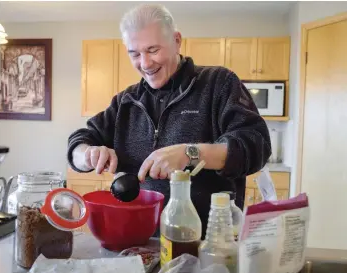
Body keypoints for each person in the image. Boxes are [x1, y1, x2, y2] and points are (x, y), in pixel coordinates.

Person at [67, 4, 271, 238]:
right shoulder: (126, 101)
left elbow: (256, 146)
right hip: (136, 242)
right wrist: (87, 155)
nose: (144, 63)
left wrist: (190, 153)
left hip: (207, 244)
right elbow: (78, 142)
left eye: (153, 50)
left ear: (176, 40)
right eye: (134, 53)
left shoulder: (218, 83)